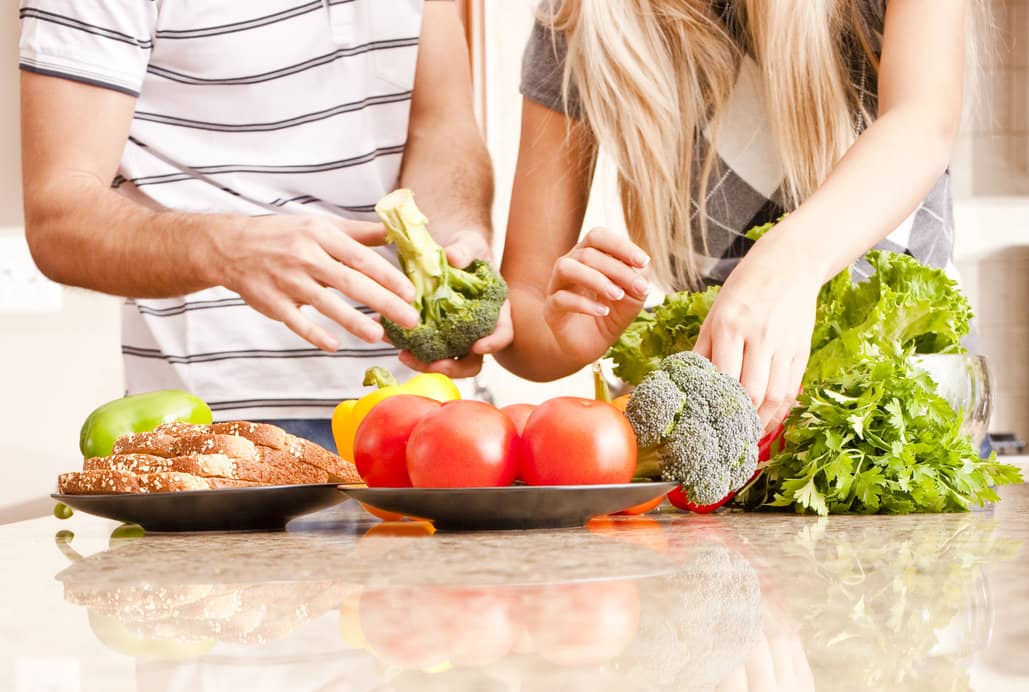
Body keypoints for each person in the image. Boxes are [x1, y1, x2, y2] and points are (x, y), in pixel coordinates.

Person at [19, 0, 512, 450]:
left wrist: (455, 243)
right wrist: (227, 248)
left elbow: (440, 128)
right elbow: (60, 218)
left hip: (419, 420)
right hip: (212, 425)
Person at [499, 0, 973, 434]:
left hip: (919, 409)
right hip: (724, 435)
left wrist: (786, 265)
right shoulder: (579, 15)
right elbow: (523, 300)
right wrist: (564, 339)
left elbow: (922, 120)